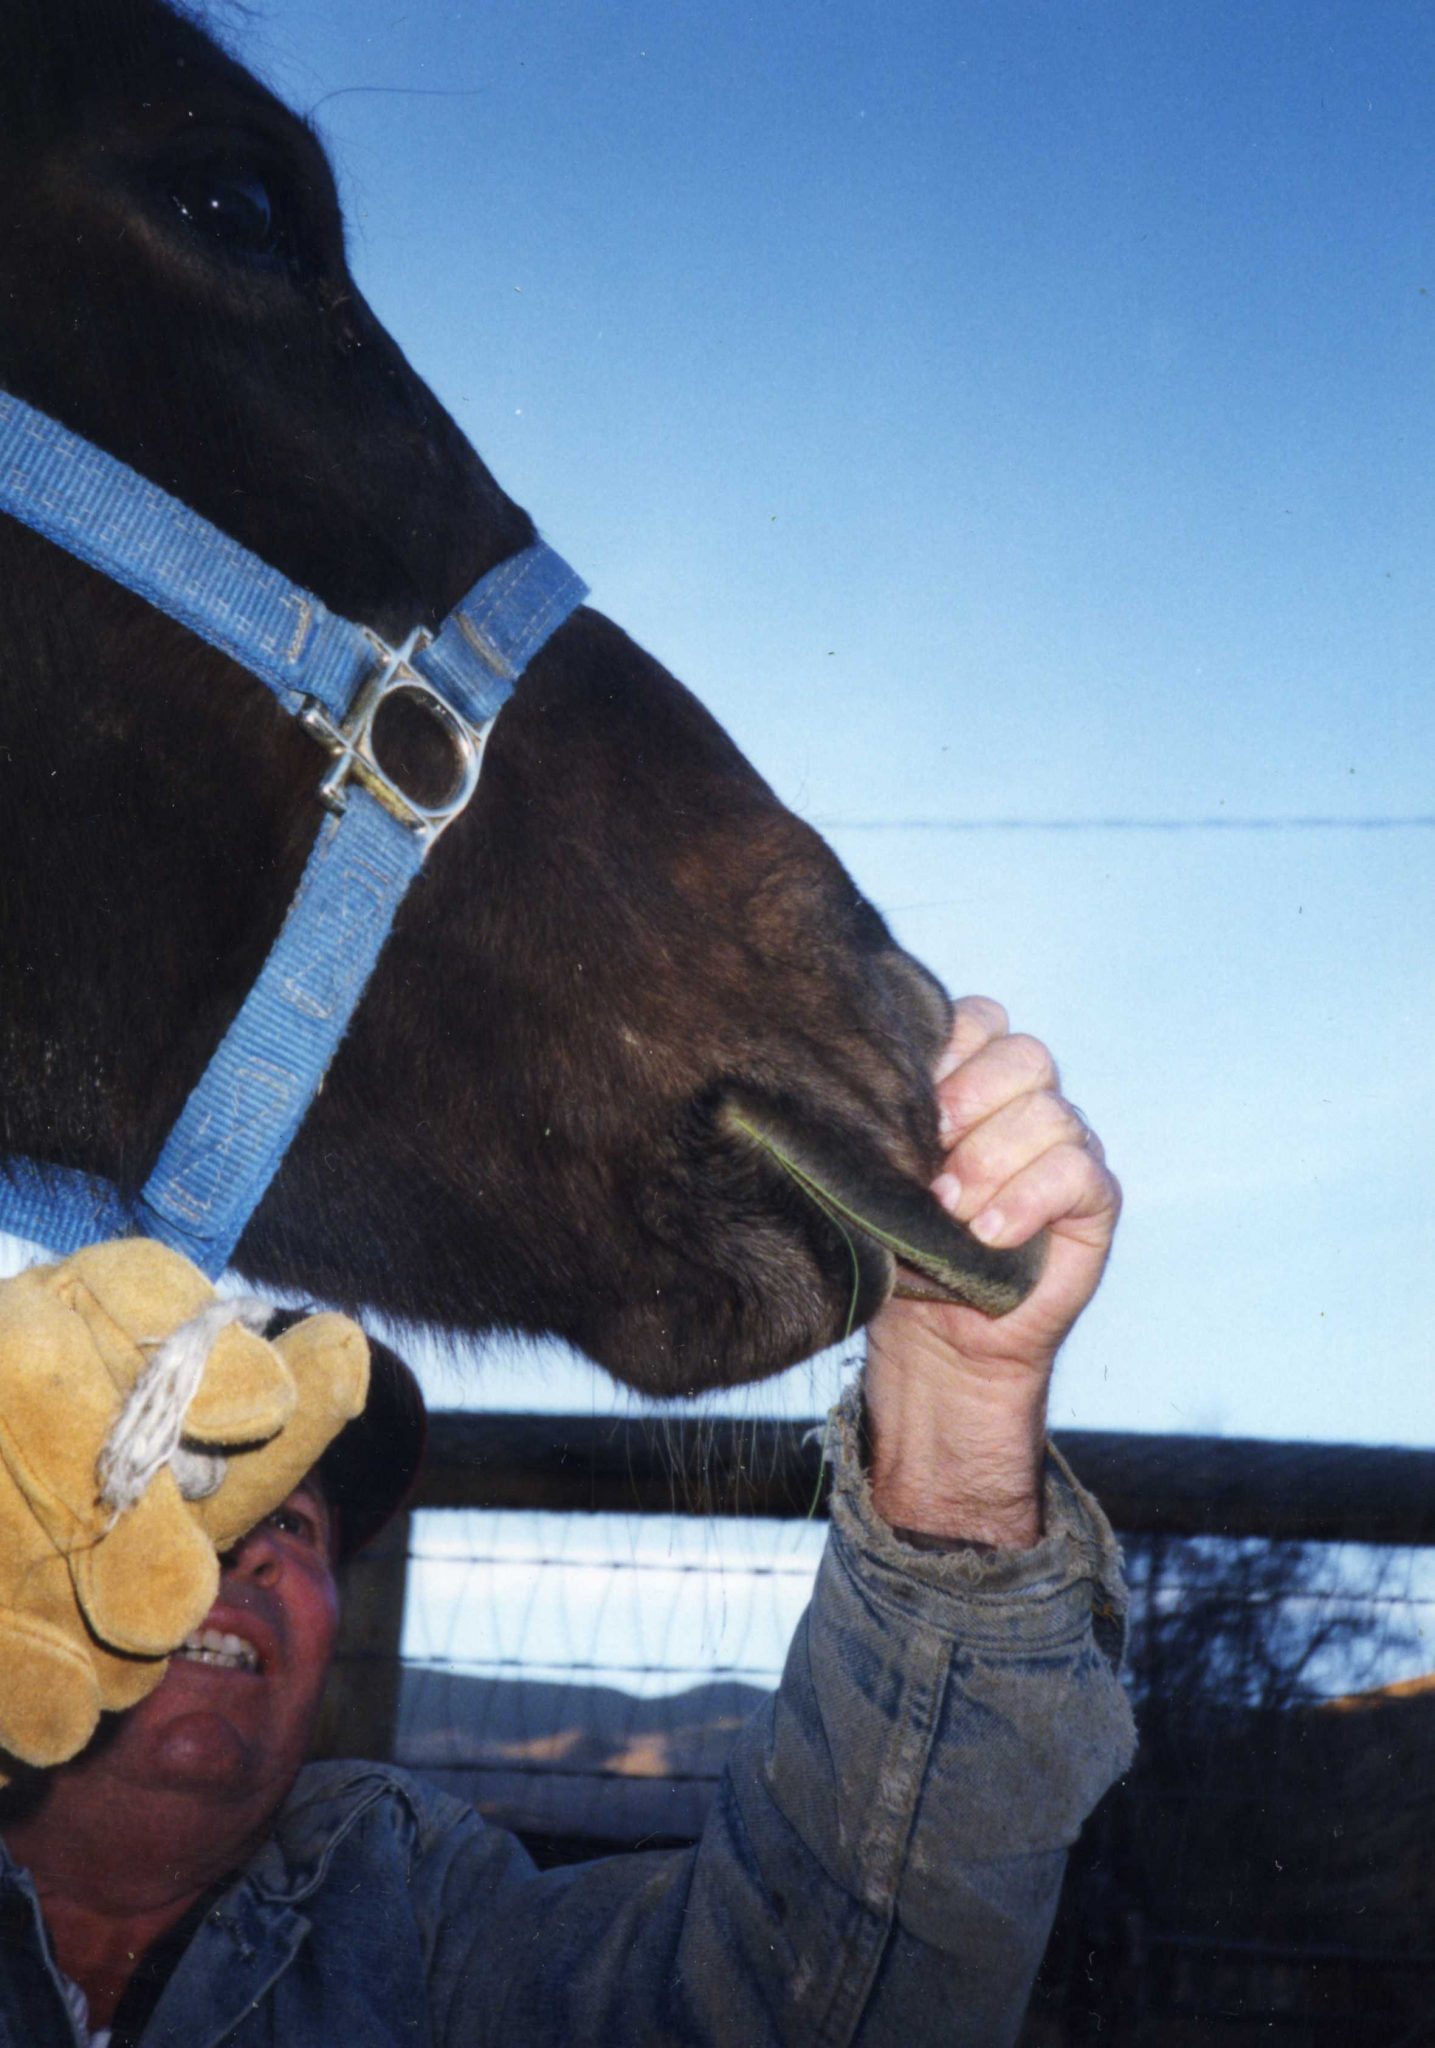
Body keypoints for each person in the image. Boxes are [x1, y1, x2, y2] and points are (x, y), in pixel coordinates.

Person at [0, 998, 1133, 2047]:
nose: (251, 1546)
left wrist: (955, 1412)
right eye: (198, 1483)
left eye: (295, 1524)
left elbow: (807, 2008)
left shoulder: (412, 1910)